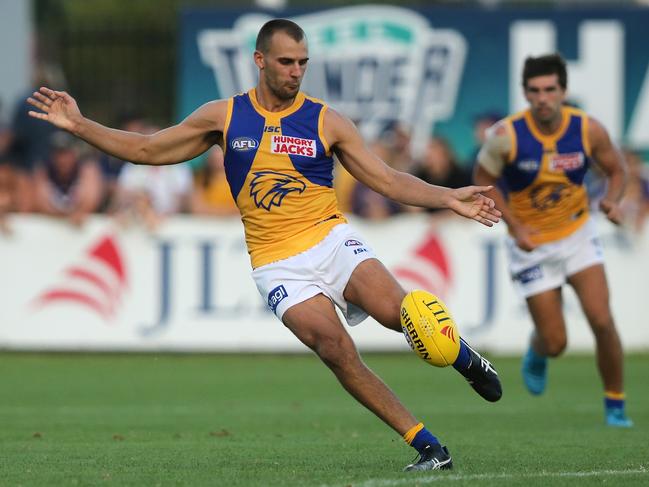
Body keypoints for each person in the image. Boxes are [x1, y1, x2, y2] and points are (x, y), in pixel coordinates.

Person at [27, 19, 502, 471]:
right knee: (334, 348)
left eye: (302, 63)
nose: (296, 71)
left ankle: (463, 357)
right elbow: (150, 150)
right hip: (276, 262)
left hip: (331, 240)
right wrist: (82, 126)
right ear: (260, 60)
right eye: (286, 62)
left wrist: (447, 197)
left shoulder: (325, 121)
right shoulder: (225, 116)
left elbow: (384, 177)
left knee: (400, 313)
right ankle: (428, 446)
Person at [474, 53, 632, 427]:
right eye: (534, 90)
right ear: (525, 93)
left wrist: (612, 198)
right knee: (556, 342)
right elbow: (484, 180)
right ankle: (538, 349)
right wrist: (514, 226)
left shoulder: (587, 129)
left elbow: (617, 168)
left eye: (550, 89)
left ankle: (615, 403)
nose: (542, 98)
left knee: (602, 319)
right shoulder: (505, 136)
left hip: (578, 233)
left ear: (563, 90)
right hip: (531, 246)